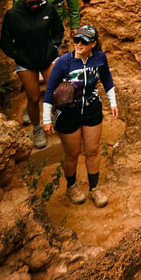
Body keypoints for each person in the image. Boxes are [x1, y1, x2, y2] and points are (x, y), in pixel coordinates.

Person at [43, 24, 118, 206]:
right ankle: (72, 186)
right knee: (72, 154)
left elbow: (107, 79)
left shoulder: (99, 58)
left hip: (92, 109)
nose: (78, 44)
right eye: (76, 40)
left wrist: (113, 102)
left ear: (93, 43)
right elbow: (50, 89)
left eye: (83, 41)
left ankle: (94, 189)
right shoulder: (64, 62)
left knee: (92, 150)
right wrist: (46, 119)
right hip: (68, 113)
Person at [0, 0, 64, 147]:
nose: (36, 6)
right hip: (26, 61)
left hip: (47, 57)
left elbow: (58, 31)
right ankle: (37, 128)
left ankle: (55, 118)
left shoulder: (48, 9)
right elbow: (5, 42)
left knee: (57, 92)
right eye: (32, 3)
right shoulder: (13, 15)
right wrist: (19, 55)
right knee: (34, 97)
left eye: (39, 2)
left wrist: (54, 47)